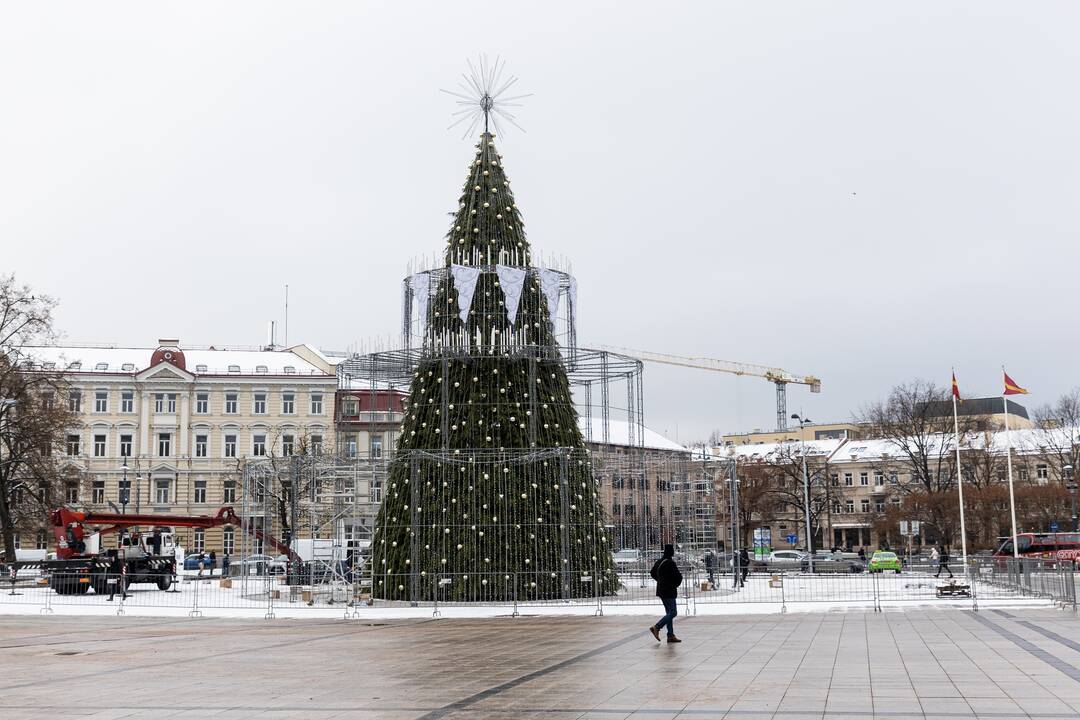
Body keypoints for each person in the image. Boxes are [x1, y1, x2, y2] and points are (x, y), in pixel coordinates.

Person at [648, 544, 683, 644]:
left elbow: (652, 573)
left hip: (661, 590)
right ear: (671, 552)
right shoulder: (670, 563)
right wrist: (674, 584)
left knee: (669, 613)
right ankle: (657, 627)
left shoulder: (659, 562)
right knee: (673, 612)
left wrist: (660, 581)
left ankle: (670, 635)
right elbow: (678, 577)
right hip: (669, 591)